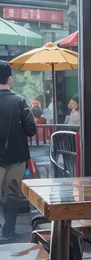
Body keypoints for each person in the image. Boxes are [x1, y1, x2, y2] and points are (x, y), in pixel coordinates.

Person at [0, 61, 36, 241]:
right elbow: (31, 130)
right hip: (16, 156)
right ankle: (8, 231)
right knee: (11, 194)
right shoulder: (20, 101)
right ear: (9, 79)